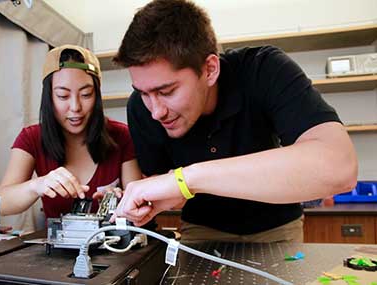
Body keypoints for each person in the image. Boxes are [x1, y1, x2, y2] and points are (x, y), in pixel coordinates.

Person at [111, 0, 357, 242]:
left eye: (166, 92)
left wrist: (186, 179)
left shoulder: (263, 69)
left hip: (277, 228)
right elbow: (165, 184)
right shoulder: (140, 109)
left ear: (209, 69)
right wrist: (150, 199)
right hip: (201, 229)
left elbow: (339, 168)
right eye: (143, 93)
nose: (156, 112)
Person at [0, 45, 141, 219]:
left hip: (112, 244)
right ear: (48, 97)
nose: (75, 107)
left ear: (97, 96)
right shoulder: (31, 138)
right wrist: (38, 185)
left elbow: (139, 199)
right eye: (63, 96)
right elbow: (1, 203)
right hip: (58, 244)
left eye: (86, 94)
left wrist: (120, 199)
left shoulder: (121, 136)